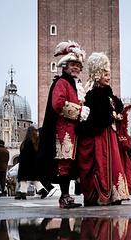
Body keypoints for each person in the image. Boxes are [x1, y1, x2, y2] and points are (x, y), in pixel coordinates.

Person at [37, 40, 88, 209]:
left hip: (73, 131)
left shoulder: (74, 84)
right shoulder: (61, 83)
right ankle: (64, 198)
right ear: (65, 66)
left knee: (70, 164)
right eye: (73, 64)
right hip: (63, 131)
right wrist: (79, 111)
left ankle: (68, 196)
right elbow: (57, 104)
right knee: (64, 164)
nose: (76, 68)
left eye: (78, 65)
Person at [76, 52, 130, 206]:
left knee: (112, 163)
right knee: (102, 164)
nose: (108, 77)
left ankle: (114, 193)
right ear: (98, 74)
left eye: (109, 74)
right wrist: (111, 114)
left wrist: (115, 112)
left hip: (109, 135)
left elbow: (117, 106)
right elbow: (97, 118)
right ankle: (102, 194)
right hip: (100, 137)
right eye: (105, 74)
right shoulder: (92, 95)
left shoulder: (107, 92)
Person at [15, 126, 48, 200]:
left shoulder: (26, 142)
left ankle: (22, 193)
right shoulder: (36, 141)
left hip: (25, 163)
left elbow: (23, 153)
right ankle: (42, 191)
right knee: (34, 178)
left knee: (24, 178)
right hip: (34, 163)